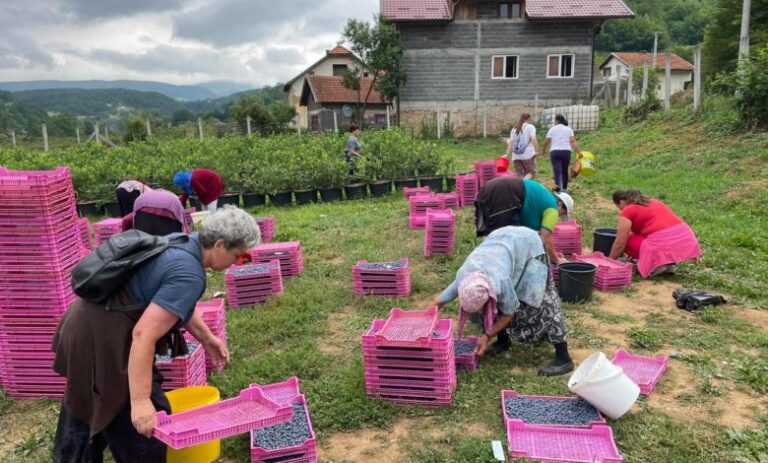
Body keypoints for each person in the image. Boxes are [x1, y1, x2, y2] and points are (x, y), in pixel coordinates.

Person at [52, 206, 260, 462]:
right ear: (219, 245)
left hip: (83, 325)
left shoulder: (182, 241)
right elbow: (143, 335)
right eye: (238, 257)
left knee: (85, 400)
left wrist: (207, 339)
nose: (236, 264)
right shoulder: (189, 273)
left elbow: (171, 301)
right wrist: (140, 401)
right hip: (104, 340)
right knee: (143, 425)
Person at [433, 226, 573, 376]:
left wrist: (487, 336)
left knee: (541, 299)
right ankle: (503, 340)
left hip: (529, 246)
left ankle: (563, 357)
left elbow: (509, 313)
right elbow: (441, 300)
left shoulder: (501, 281)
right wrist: (425, 320)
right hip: (502, 241)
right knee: (492, 306)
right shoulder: (464, 275)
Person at [475, 176, 573, 264]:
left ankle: (486, 265)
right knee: (504, 242)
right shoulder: (552, 207)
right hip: (506, 194)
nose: (558, 216)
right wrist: (557, 260)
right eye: (562, 213)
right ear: (560, 204)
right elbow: (545, 239)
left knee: (492, 236)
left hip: (489, 187)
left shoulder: (543, 198)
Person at [608, 189, 702, 277]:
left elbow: (620, 242)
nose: (620, 210)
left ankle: (657, 265)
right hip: (685, 240)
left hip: (665, 243)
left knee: (628, 240)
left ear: (621, 202)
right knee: (645, 238)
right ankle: (668, 263)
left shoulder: (628, 210)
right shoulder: (653, 202)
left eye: (618, 207)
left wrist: (609, 261)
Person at [122, 189, 191, 236]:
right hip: (169, 209)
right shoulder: (174, 201)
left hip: (142, 209)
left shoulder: (141, 199)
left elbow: (125, 220)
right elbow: (183, 225)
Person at [542, 114, 583, 192]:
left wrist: (543, 151)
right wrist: (579, 152)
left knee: (557, 170)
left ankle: (557, 187)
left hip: (555, 151)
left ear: (557, 120)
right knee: (564, 170)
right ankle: (564, 188)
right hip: (566, 151)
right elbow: (573, 141)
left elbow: (546, 142)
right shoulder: (568, 129)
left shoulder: (552, 129)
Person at [506, 113, 539, 179]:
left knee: (520, 174)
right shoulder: (530, 127)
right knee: (531, 172)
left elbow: (511, 142)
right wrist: (536, 151)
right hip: (527, 155)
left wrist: (507, 154)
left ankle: (520, 187)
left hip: (515, 156)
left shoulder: (514, 128)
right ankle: (523, 183)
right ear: (529, 119)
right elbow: (534, 138)